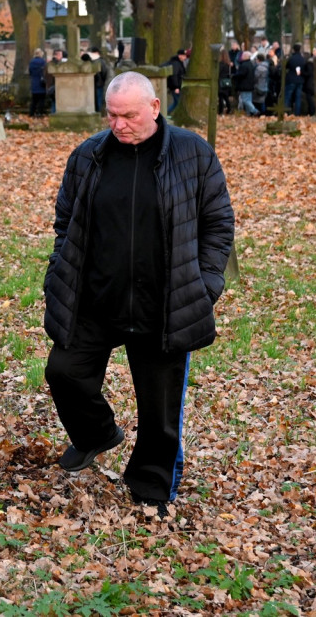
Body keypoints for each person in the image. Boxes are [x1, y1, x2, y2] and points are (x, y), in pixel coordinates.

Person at [43, 72, 235, 519]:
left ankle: (151, 489)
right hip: (96, 297)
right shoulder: (88, 155)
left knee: (159, 408)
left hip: (164, 304)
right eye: (111, 115)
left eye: (128, 115)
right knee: (63, 370)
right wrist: (60, 270)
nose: (119, 124)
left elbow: (218, 223)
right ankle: (95, 434)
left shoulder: (192, 154)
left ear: (153, 107)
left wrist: (205, 285)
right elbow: (65, 220)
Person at [284, 43, 307, 115]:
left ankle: (285, 111)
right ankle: (297, 113)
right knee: (298, 97)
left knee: (288, 96)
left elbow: (286, 66)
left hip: (291, 79)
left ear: (293, 50)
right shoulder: (303, 59)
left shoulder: (291, 58)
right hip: (300, 79)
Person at [233, 51, 259, 116]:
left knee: (245, 100)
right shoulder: (250, 64)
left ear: (245, 56)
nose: (241, 57)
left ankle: (255, 111)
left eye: (243, 56)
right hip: (250, 85)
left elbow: (241, 74)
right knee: (248, 100)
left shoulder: (244, 65)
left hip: (244, 85)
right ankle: (248, 113)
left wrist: (234, 76)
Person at [165, 48, 187, 115]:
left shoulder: (179, 63)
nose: (185, 57)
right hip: (175, 87)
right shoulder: (176, 64)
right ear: (180, 56)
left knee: (175, 103)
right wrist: (176, 87)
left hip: (176, 86)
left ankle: (166, 113)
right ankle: (166, 113)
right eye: (184, 55)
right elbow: (174, 75)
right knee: (178, 102)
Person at [28, 48, 47, 116]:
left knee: (34, 100)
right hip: (41, 82)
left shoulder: (31, 62)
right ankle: (40, 112)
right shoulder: (43, 62)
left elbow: (30, 72)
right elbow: (45, 72)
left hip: (34, 82)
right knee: (41, 99)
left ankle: (31, 113)